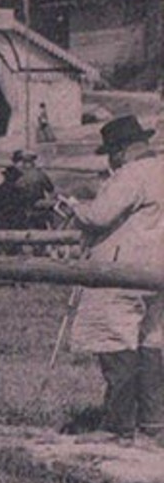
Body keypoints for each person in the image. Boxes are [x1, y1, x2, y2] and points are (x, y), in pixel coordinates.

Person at [59, 115, 163, 445]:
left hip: (121, 269)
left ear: (119, 151)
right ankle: (153, 424)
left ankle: (118, 425)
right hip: (156, 269)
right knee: (151, 342)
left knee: (115, 340)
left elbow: (100, 215)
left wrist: (74, 207)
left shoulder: (131, 174)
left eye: (111, 153)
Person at [13, 149, 56, 229]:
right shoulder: (40, 174)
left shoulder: (17, 177)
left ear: (23, 162)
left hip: (23, 208)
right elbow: (51, 190)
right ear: (33, 162)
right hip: (39, 205)